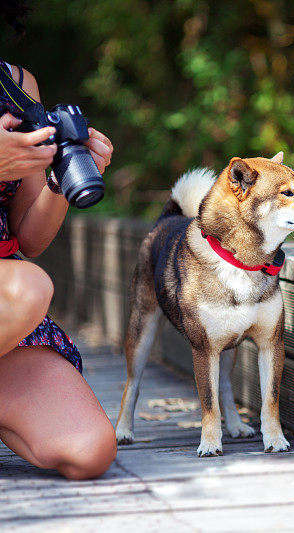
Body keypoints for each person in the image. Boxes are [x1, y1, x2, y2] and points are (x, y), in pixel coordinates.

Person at [0, 0, 116, 480]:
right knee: (26, 288)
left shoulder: (16, 85)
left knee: (89, 448)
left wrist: (59, 179)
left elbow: (29, 235)